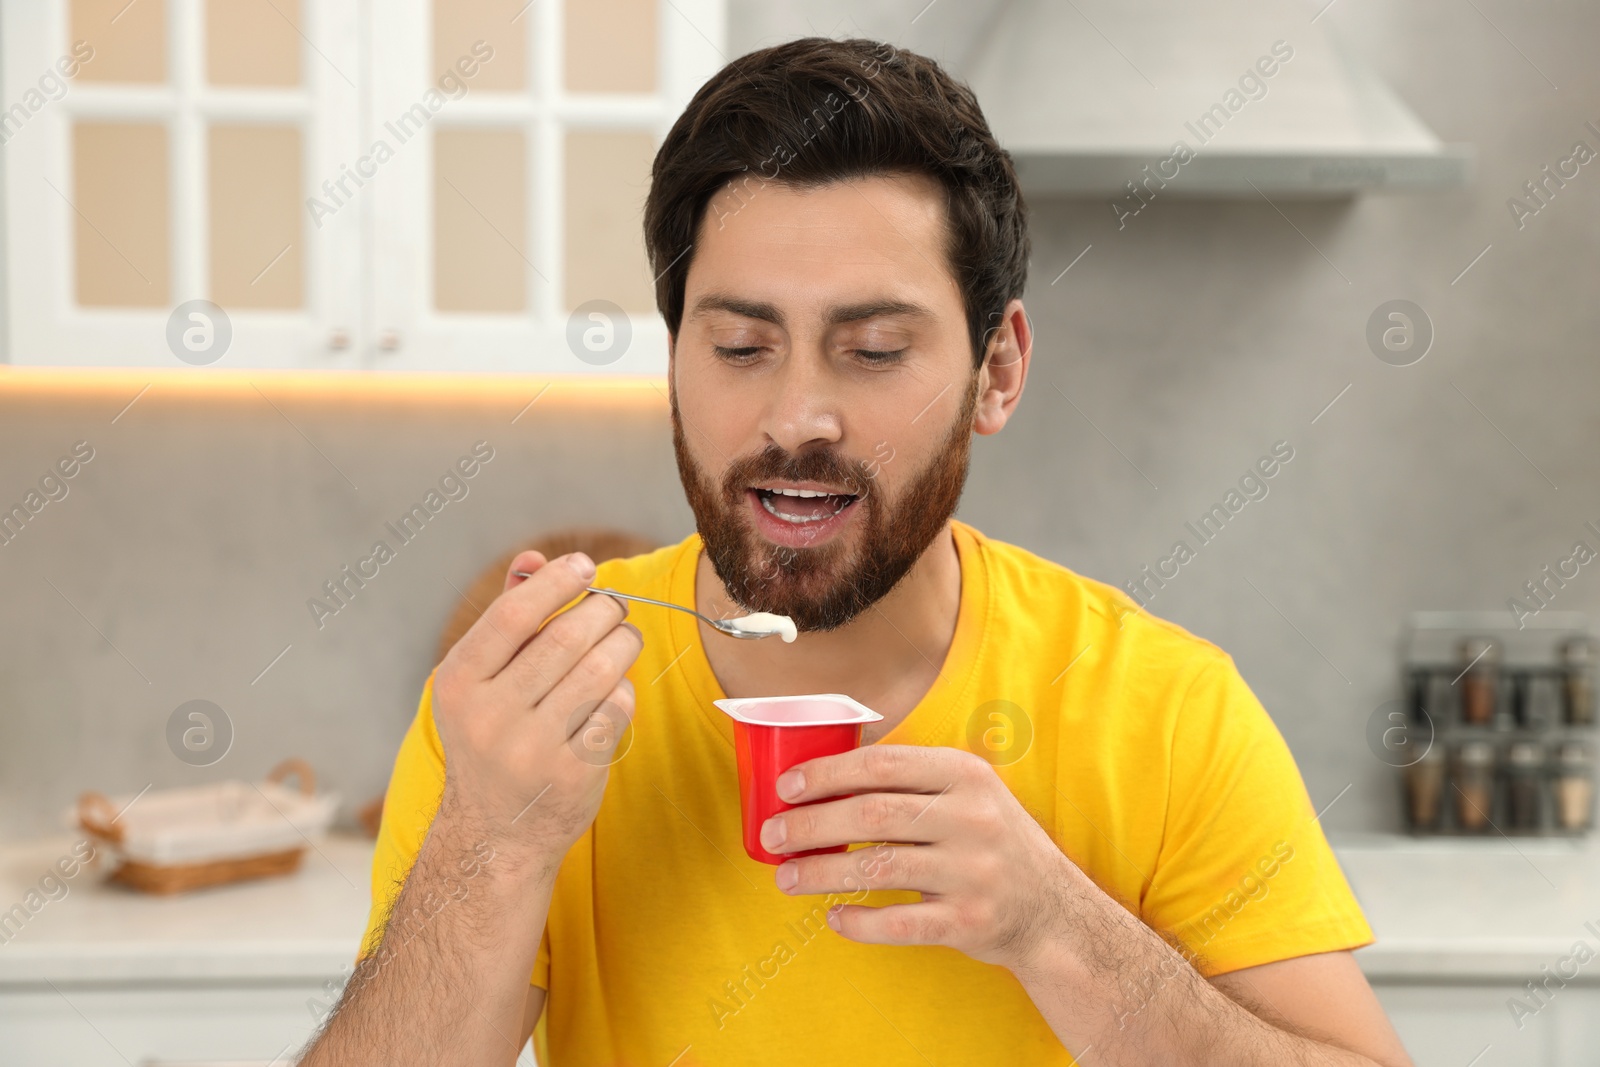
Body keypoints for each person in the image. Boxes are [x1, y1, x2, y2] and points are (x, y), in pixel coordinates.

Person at [301, 36, 1411, 1067]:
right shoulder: (527, 722)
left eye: (873, 350)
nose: (797, 416)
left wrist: (1056, 926)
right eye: (740, 344)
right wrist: (491, 841)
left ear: (998, 371)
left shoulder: (1162, 706)